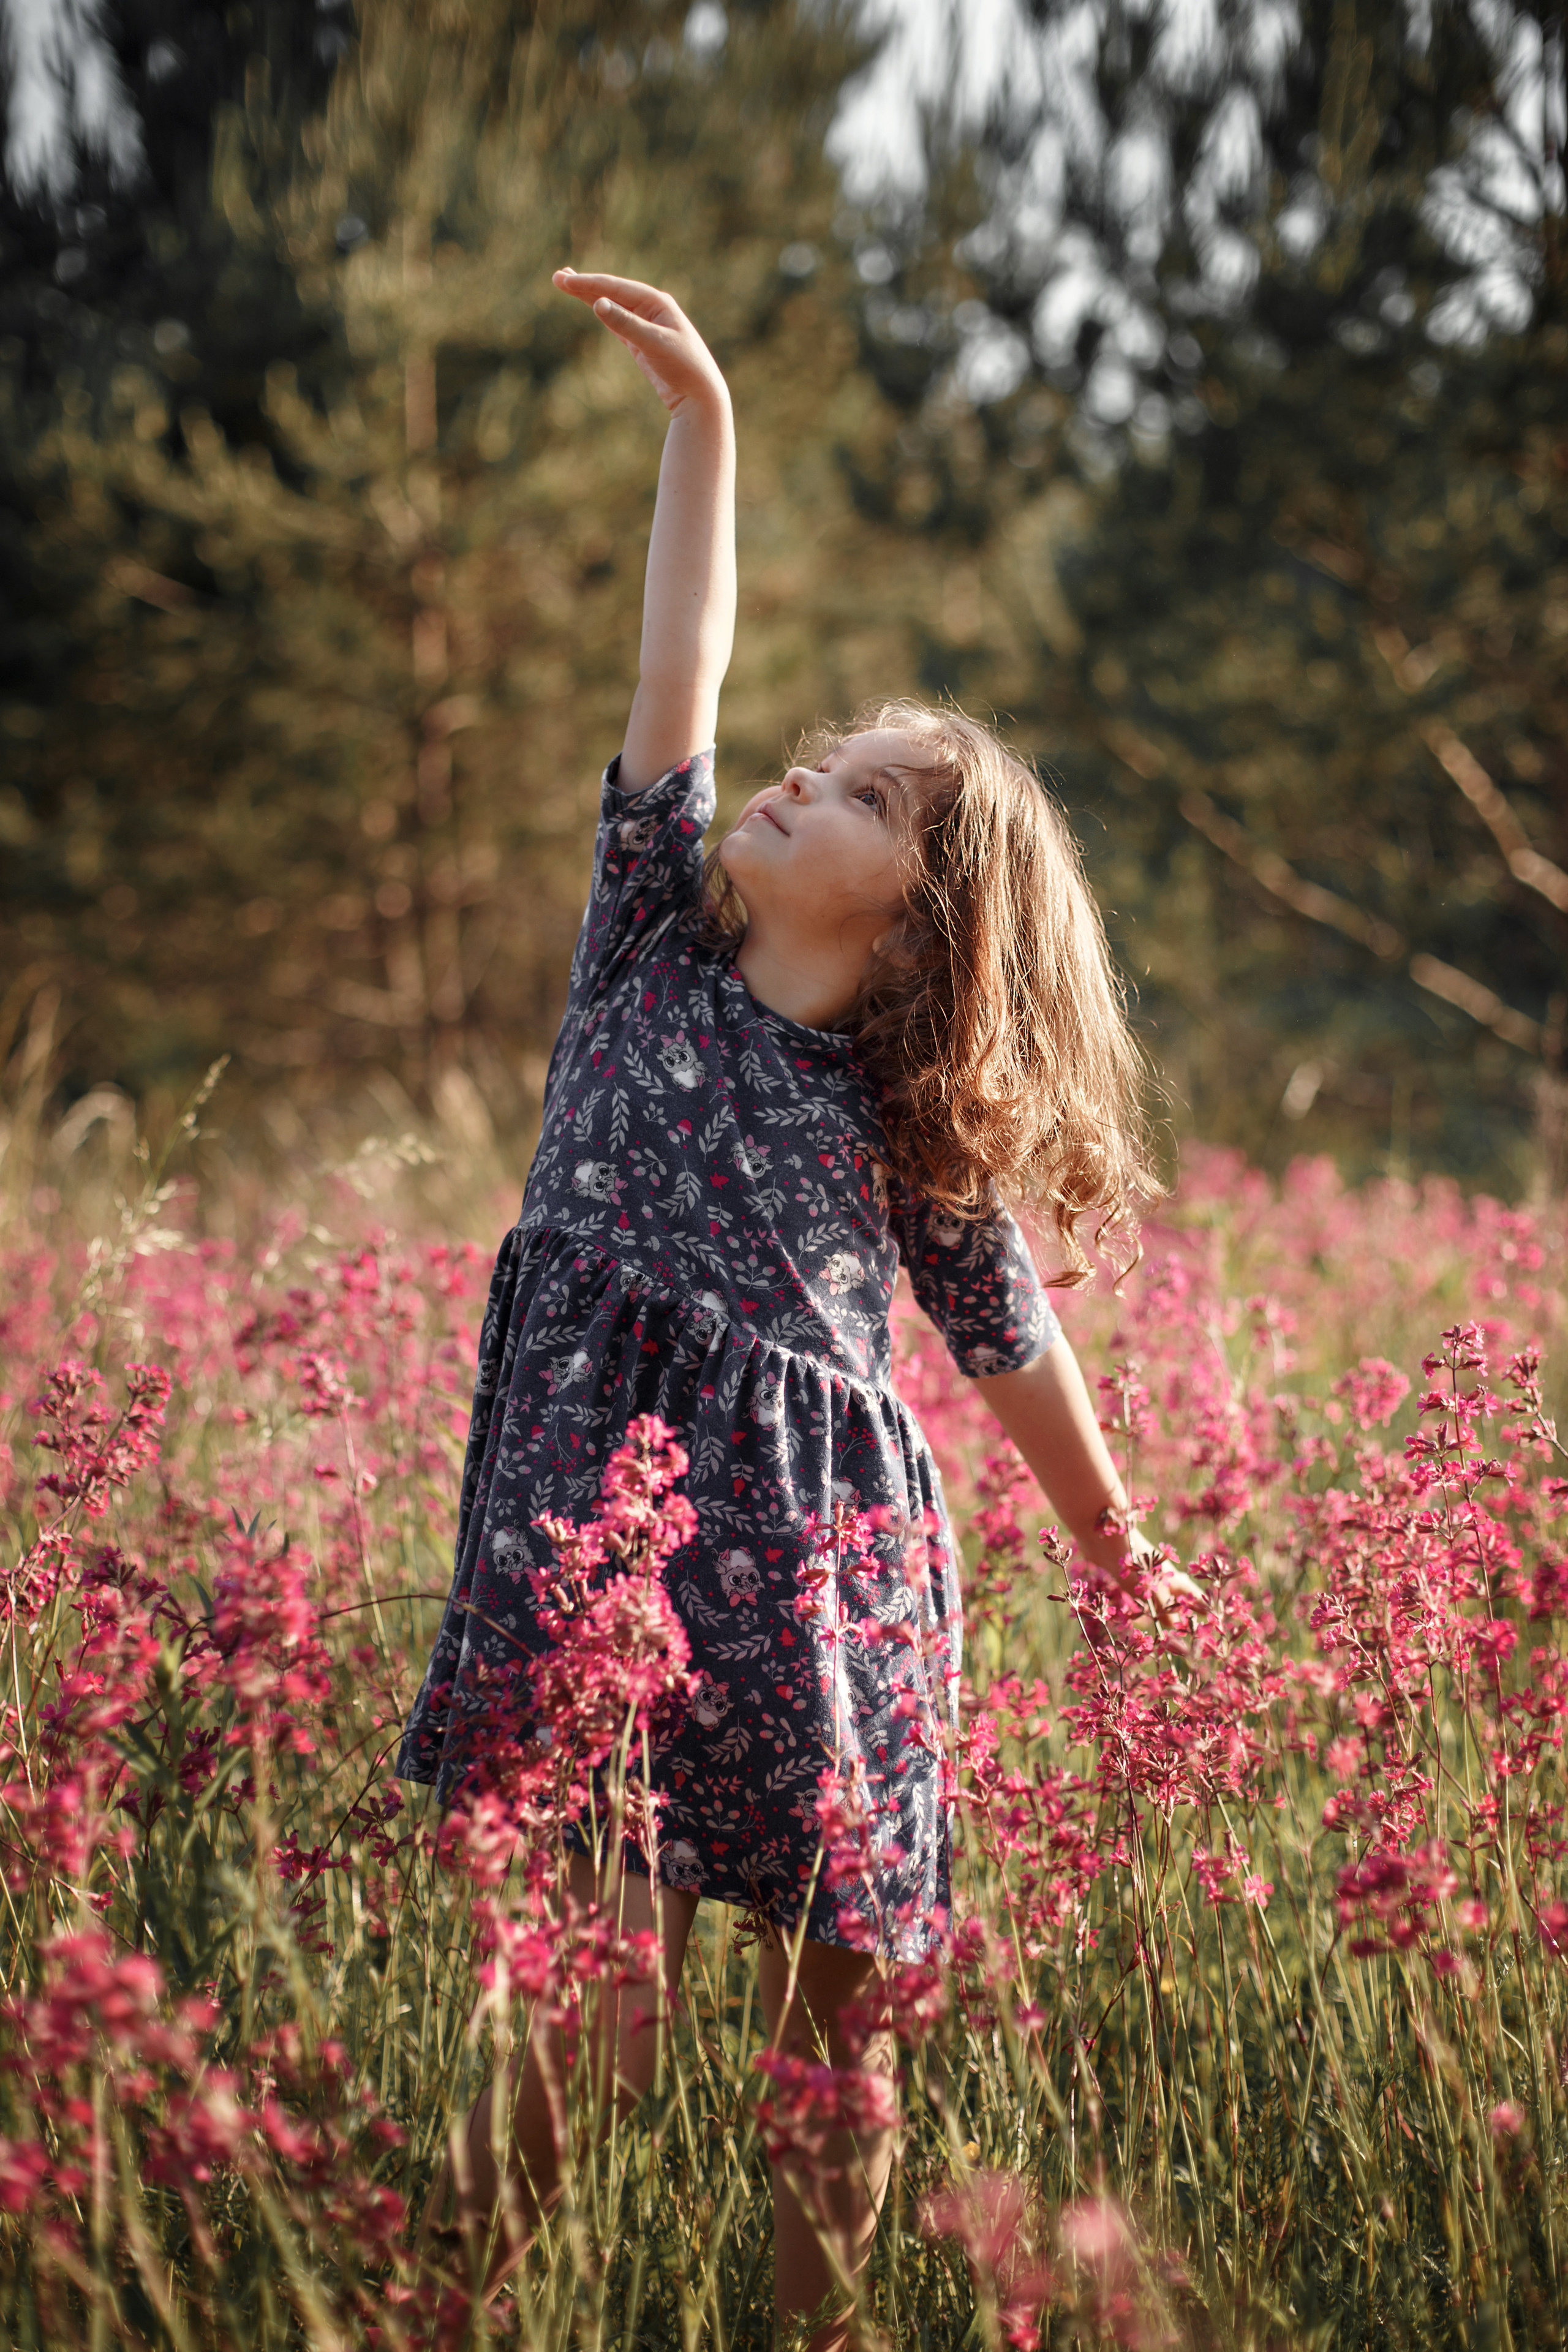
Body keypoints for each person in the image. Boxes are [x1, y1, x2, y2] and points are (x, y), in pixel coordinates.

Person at [401, 267, 1158, 2348]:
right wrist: (704, 430)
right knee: (598, 2004)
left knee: (843, 2009)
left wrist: (1115, 1551)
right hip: (599, 1536)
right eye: (824, 758)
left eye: (872, 793)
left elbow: (1005, 1338)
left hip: (826, 1577)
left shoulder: (906, 1111)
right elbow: (684, 666)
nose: (809, 777)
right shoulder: (644, 939)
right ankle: (417, 2311)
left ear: (926, 918)